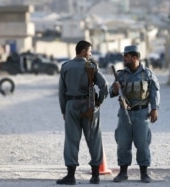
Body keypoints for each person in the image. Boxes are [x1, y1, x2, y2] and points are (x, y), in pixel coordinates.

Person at [57, 40, 108, 185]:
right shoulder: (91, 66)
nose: (91, 54)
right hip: (89, 105)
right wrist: (99, 102)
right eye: (90, 51)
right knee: (94, 139)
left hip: (71, 105)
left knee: (72, 140)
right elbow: (104, 86)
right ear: (84, 51)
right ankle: (95, 176)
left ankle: (71, 176)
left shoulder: (65, 67)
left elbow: (61, 91)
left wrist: (63, 109)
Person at [109, 45, 160, 183]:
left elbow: (155, 91)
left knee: (143, 143)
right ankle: (123, 172)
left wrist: (154, 108)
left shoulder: (147, 74)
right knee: (123, 143)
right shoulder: (120, 74)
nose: (124, 58)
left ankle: (144, 173)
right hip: (124, 114)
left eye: (126, 56)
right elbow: (111, 93)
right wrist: (115, 89)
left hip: (142, 113)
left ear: (135, 57)